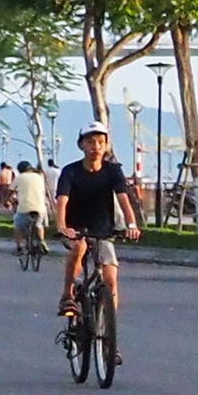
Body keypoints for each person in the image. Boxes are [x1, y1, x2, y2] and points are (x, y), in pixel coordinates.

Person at [53, 127, 140, 334]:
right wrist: (62, 227)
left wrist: (131, 225)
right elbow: (62, 201)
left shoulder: (113, 171)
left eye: (101, 142)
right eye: (91, 142)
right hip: (75, 230)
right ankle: (67, 294)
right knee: (80, 247)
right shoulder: (70, 171)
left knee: (110, 280)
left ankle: (108, 335)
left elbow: (123, 199)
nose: (96, 147)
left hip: (103, 231)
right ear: (82, 145)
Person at [12, 157, 52, 266]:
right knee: (39, 224)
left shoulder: (20, 177)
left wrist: (4, 201)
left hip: (24, 208)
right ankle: (42, 241)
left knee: (17, 225)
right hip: (40, 207)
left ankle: (19, 247)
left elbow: (10, 190)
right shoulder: (39, 177)